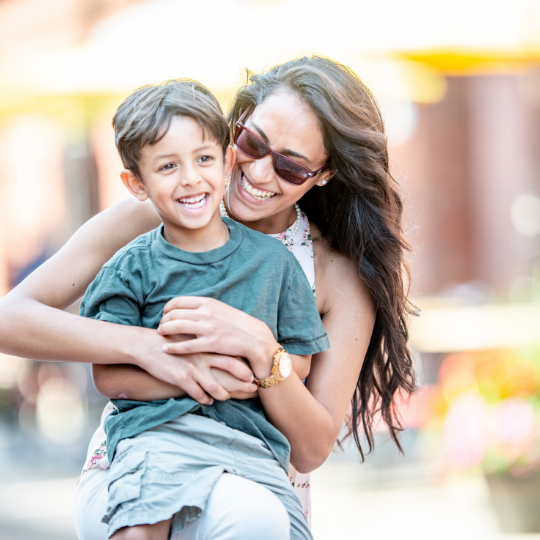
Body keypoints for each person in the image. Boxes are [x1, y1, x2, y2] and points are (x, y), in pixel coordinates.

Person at [0, 56, 416, 539]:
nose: (259, 172)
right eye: (253, 143)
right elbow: (11, 318)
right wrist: (146, 347)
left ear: (324, 175)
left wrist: (264, 352)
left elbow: (311, 448)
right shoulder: (161, 214)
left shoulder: (334, 276)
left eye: (290, 166)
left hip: (253, 487)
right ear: (234, 123)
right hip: (142, 468)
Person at [82, 78, 328, 540]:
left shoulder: (276, 265)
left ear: (226, 160)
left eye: (203, 159)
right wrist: (200, 378)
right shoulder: (130, 266)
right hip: (158, 435)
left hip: (252, 447)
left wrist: (255, 361)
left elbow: (300, 361)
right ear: (137, 183)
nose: (191, 178)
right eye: (168, 166)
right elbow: (110, 377)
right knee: (139, 524)